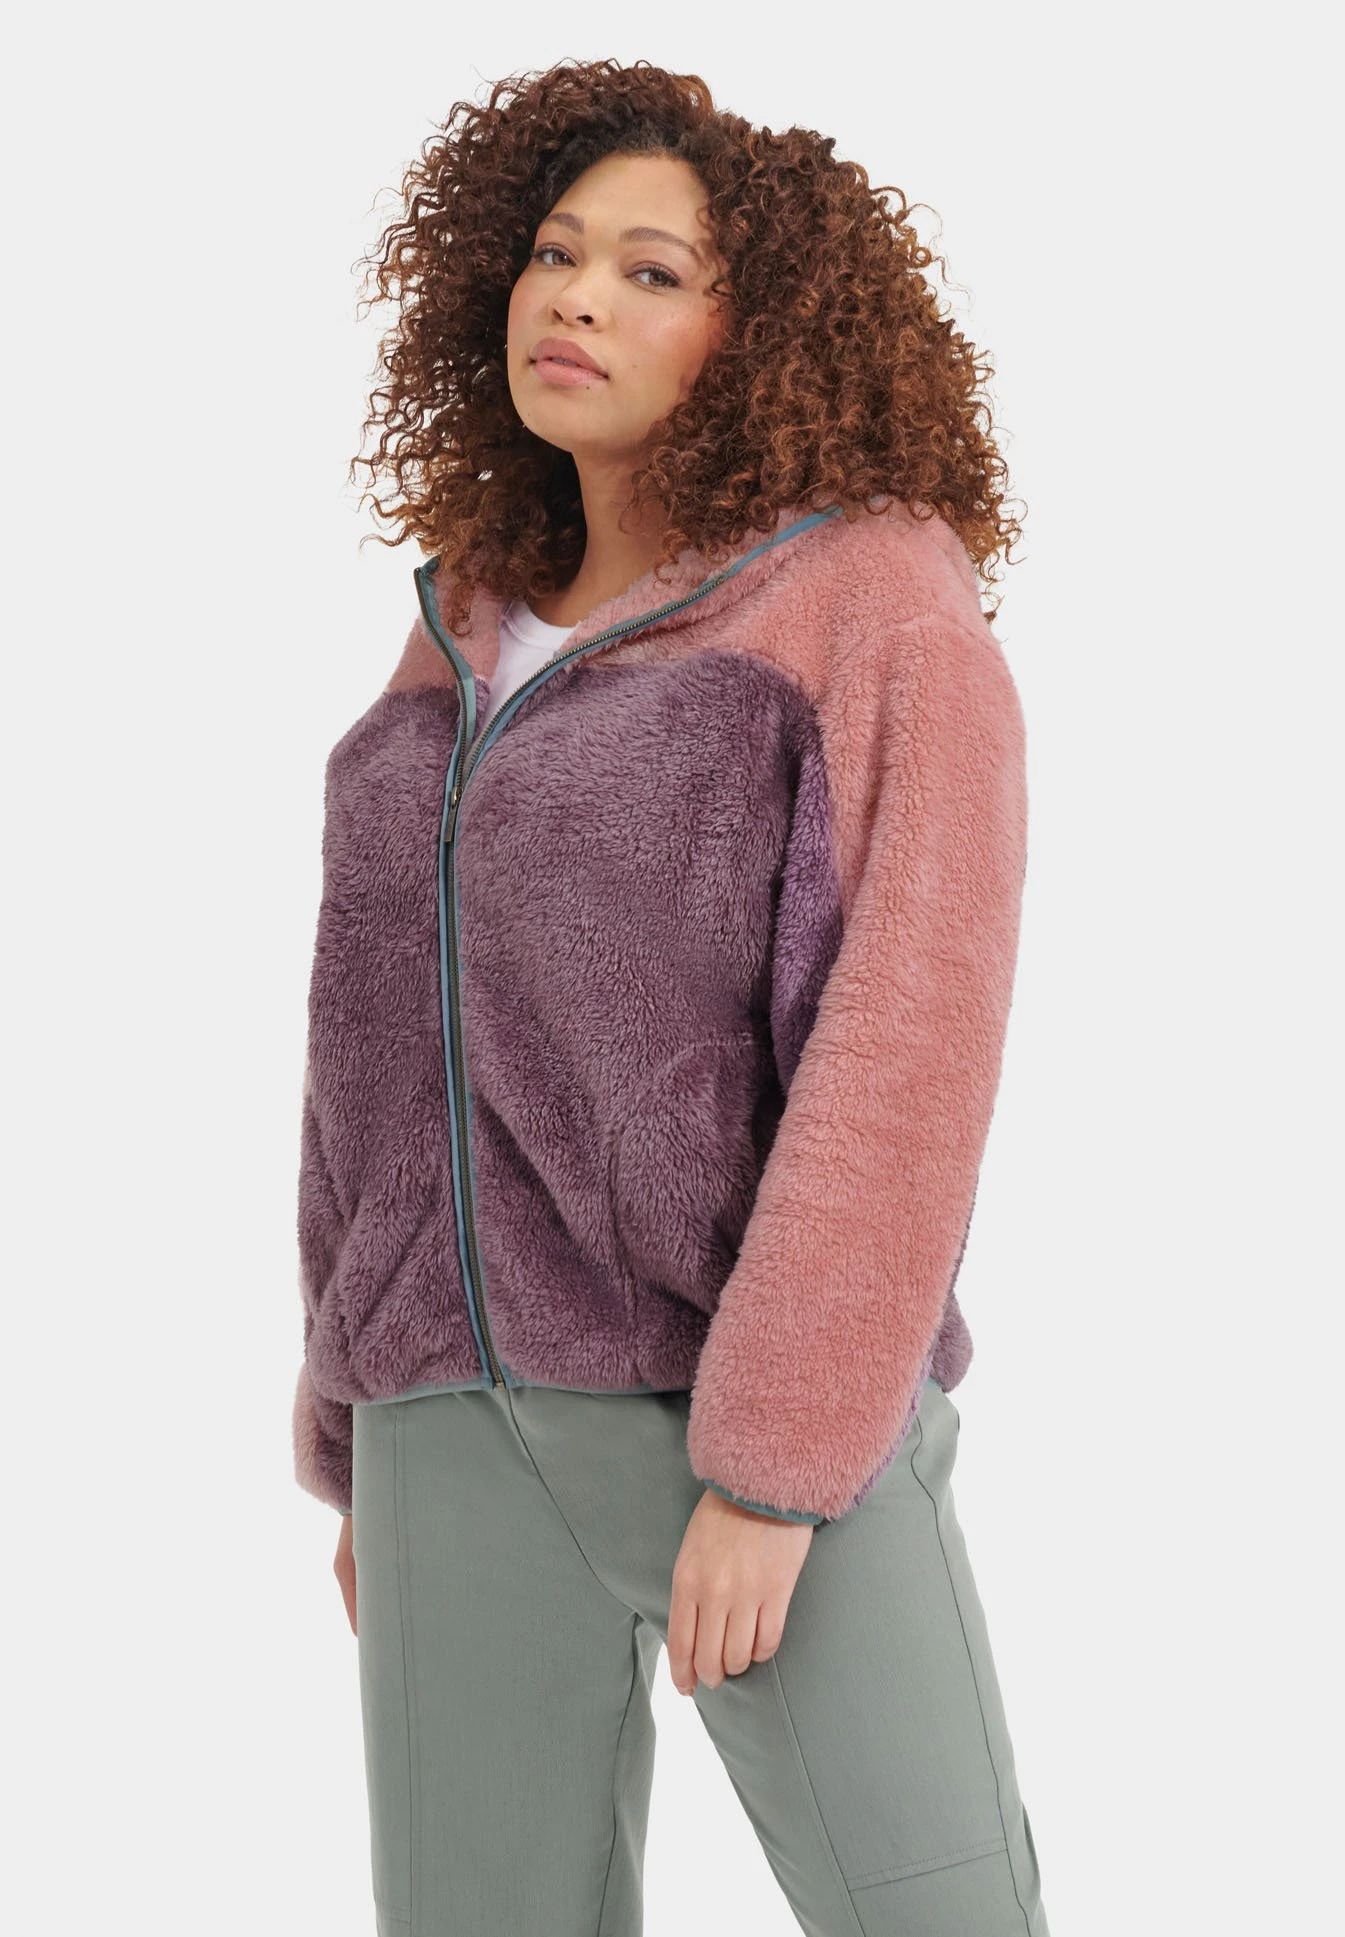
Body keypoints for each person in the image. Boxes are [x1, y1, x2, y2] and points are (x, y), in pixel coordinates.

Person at [291, 55, 1051, 1937]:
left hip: (751, 1412)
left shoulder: (871, 607)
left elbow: (908, 1042)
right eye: (557, 254)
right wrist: (359, 1413)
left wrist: (777, 1470)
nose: (577, 298)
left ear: (758, 333)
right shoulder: (465, 616)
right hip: (450, 1421)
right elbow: (370, 1041)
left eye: (651, 273)